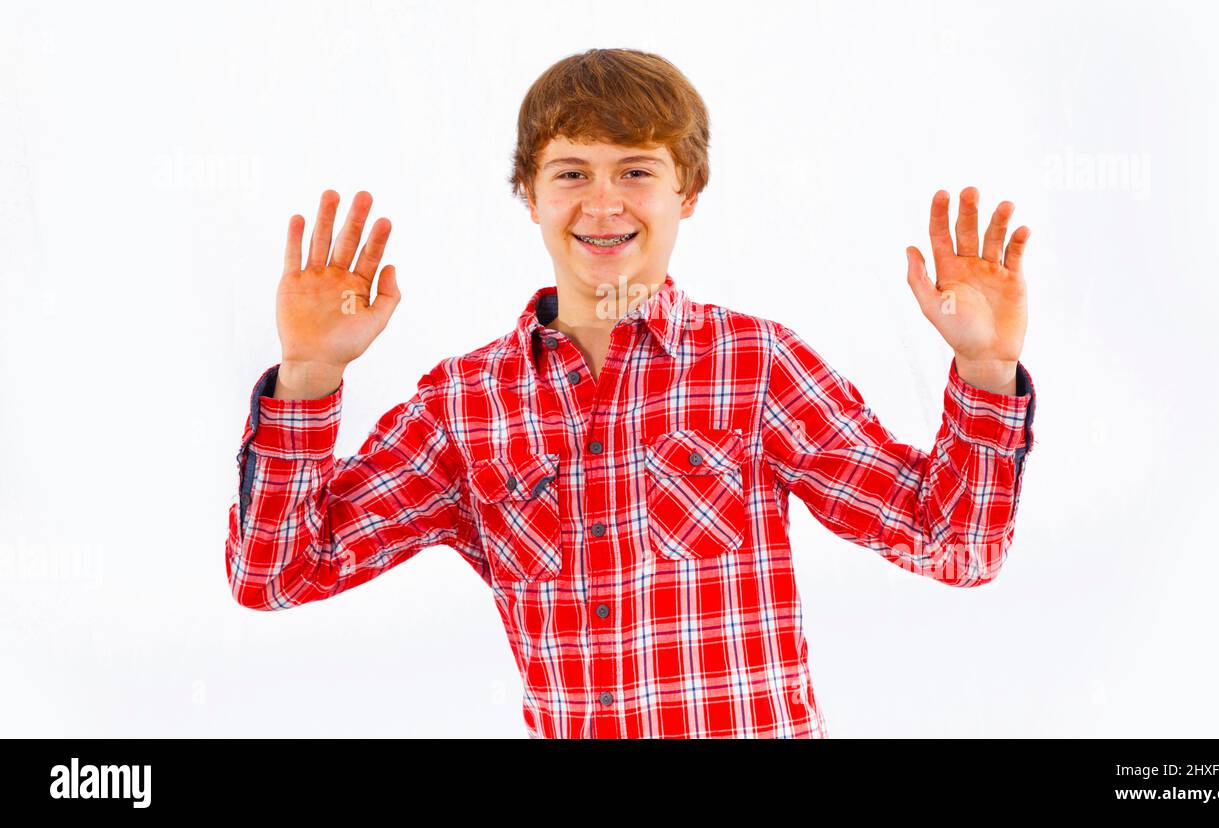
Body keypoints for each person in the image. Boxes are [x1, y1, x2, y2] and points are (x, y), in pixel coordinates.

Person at [226, 47, 1037, 738]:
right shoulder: (465, 407)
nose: (603, 202)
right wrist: (308, 378)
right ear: (532, 196)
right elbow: (277, 574)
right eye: (571, 171)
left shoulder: (756, 368)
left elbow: (953, 546)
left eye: (636, 171)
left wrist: (986, 372)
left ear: (687, 193)